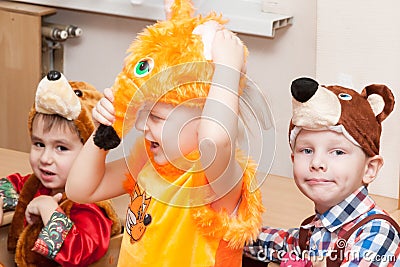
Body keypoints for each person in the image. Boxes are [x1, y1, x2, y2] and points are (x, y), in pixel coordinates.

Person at [66, 24, 268, 266]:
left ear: (203, 120)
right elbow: (79, 189)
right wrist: (105, 130)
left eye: (156, 117)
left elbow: (216, 140)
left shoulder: (217, 180)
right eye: (143, 112)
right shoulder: (146, 166)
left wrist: (227, 69)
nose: (141, 125)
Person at [244, 77, 400, 266]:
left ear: (369, 169)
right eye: (306, 151)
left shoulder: (377, 234)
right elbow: (281, 244)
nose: (317, 163)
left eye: (337, 152)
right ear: (293, 159)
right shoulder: (316, 229)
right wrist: (233, 233)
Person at [0, 71, 121, 267]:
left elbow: (78, 253)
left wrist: (48, 208)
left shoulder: (92, 206)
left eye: (61, 148)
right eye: (39, 144)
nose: (46, 158)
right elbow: (13, 185)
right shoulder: (37, 184)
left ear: (89, 155)